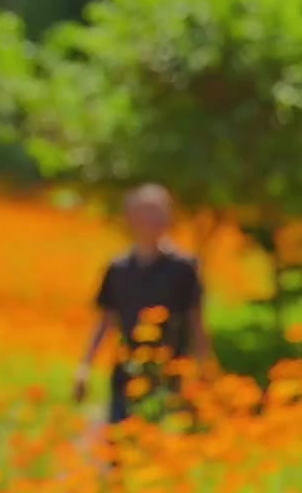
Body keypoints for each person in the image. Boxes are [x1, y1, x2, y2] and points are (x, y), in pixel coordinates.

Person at [73, 185, 215, 438]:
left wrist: (205, 372)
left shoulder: (184, 268)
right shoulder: (118, 269)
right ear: (131, 218)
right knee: (119, 448)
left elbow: (196, 323)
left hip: (170, 377)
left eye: (161, 213)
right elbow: (106, 321)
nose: (155, 220)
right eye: (148, 213)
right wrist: (85, 367)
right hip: (126, 373)